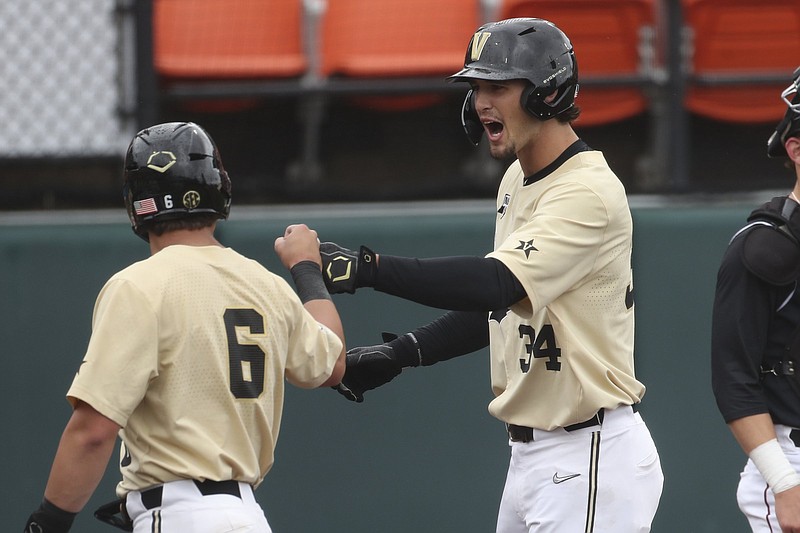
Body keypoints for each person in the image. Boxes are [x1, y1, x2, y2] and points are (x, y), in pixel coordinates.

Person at [311, 18, 664, 532]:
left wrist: (369, 269)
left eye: (498, 86)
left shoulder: (586, 191)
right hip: (536, 458)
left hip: (586, 453)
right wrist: (403, 352)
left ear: (547, 92)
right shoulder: (517, 177)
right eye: (476, 87)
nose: (480, 102)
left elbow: (495, 283)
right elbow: (498, 307)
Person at [23, 122, 345, 533]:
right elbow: (333, 362)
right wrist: (306, 268)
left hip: (177, 515)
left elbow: (93, 431)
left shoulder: (138, 286)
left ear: (137, 201)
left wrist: (48, 522)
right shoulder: (265, 284)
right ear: (218, 188)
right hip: (246, 517)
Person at [711, 66, 800, 533]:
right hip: (792, 462)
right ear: (797, 150)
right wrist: (784, 484)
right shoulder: (764, 246)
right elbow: (733, 378)